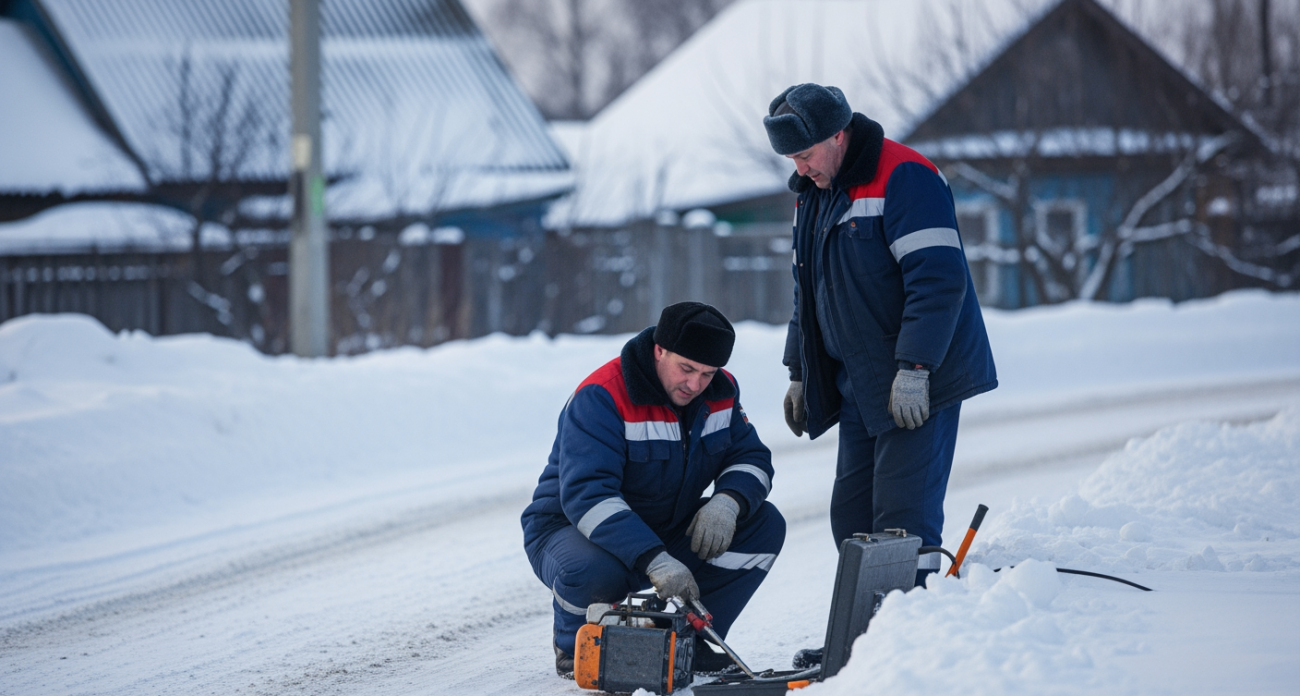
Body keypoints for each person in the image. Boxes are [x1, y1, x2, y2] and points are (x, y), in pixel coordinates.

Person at [762, 83, 997, 593]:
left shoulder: (904, 176)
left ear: (838, 134)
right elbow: (807, 290)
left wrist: (915, 368)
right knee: (850, 518)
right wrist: (799, 371)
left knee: (901, 519)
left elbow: (938, 280)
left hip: (919, 379)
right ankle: (864, 638)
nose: (799, 168)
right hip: (862, 385)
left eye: (804, 155)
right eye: (791, 158)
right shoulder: (813, 196)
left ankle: (910, 633)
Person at [521, 302, 785, 679]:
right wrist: (654, 559)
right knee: (596, 571)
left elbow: (752, 457)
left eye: (707, 374)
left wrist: (728, 502)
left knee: (764, 523)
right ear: (660, 350)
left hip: (663, 528)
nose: (695, 384)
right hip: (571, 531)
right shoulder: (602, 396)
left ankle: (687, 642)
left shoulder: (721, 393)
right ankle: (578, 647)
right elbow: (589, 496)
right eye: (687, 369)